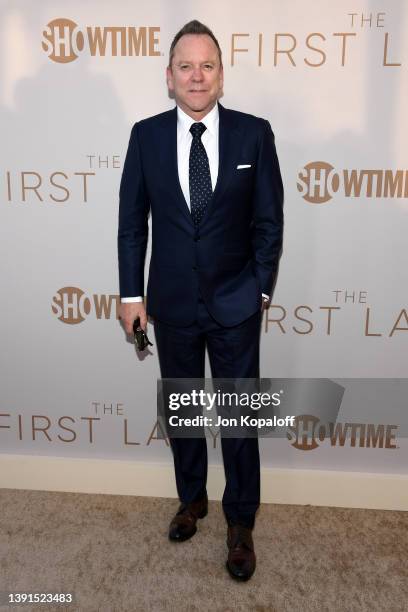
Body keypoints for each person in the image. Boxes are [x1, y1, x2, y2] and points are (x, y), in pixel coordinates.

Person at [118, 20, 284, 581]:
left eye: (206, 65)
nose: (196, 76)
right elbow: (131, 227)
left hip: (237, 306)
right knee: (184, 412)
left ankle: (241, 522)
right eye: (185, 66)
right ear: (169, 77)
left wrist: (258, 288)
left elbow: (269, 223)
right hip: (171, 306)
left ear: (220, 74)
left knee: (239, 418)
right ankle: (192, 500)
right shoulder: (144, 136)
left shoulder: (253, 134)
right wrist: (131, 295)